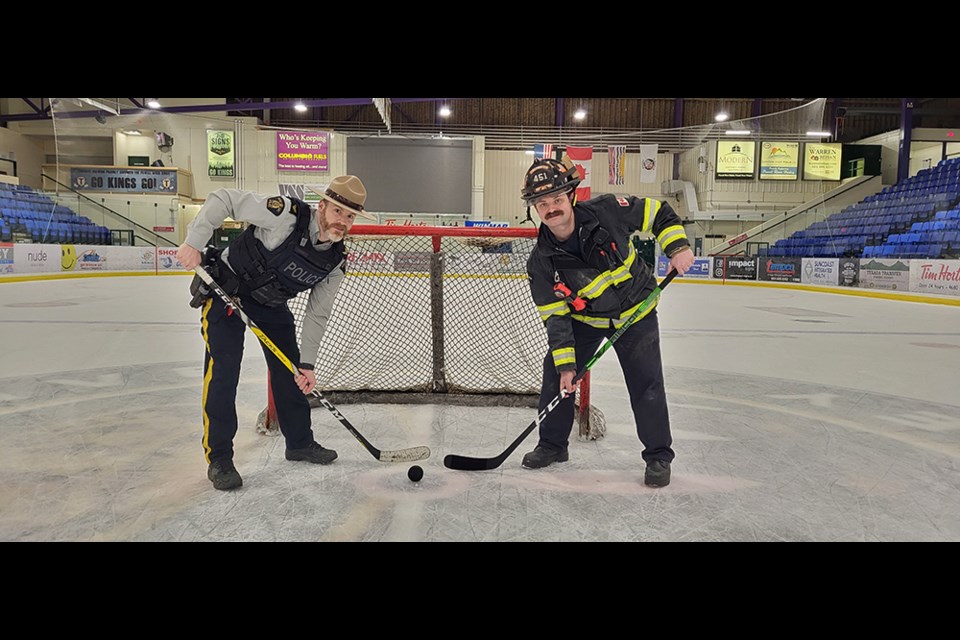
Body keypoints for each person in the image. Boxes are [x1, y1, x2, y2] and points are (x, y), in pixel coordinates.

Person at [176, 176, 372, 491]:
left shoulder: (335, 261)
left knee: (291, 369)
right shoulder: (284, 215)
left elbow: (317, 313)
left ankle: (299, 443)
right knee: (224, 370)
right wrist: (193, 242)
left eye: (350, 216)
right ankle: (220, 459)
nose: (343, 222)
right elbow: (223, 198)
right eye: (338, 211)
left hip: (270, 305)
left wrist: (307, 364)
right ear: (322, 206)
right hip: (229, 291)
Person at [520, 156, 695, 487]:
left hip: (635, 313)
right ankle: (553, 445)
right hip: (584, 321)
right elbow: (556, 320)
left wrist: (677, 247)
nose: (550, 208)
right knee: (556, 374)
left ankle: (658, 455)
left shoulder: (608, 210)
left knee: (646, 385)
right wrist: (568, 367)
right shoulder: (540, 262)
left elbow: (660, 214)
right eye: (542, 203)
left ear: (571, 196)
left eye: (556, 199)